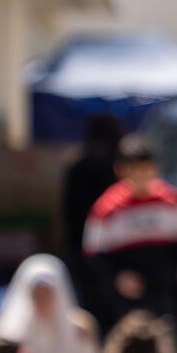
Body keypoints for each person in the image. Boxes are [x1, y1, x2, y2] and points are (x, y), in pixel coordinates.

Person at [81, 135, 177, 330]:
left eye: (147, 170)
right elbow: (94, 254)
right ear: (120, 170)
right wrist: (117, 276)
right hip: (128, 295)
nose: (143, 177)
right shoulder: (107, 208)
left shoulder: (171, 201)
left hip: (166, 289)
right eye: (136, 171)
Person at [61, 114, 124, 308]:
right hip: (116, 245)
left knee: (91, 301)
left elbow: (68, 212)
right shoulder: (119, 168)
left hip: (82, 245)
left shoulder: (77, 168)